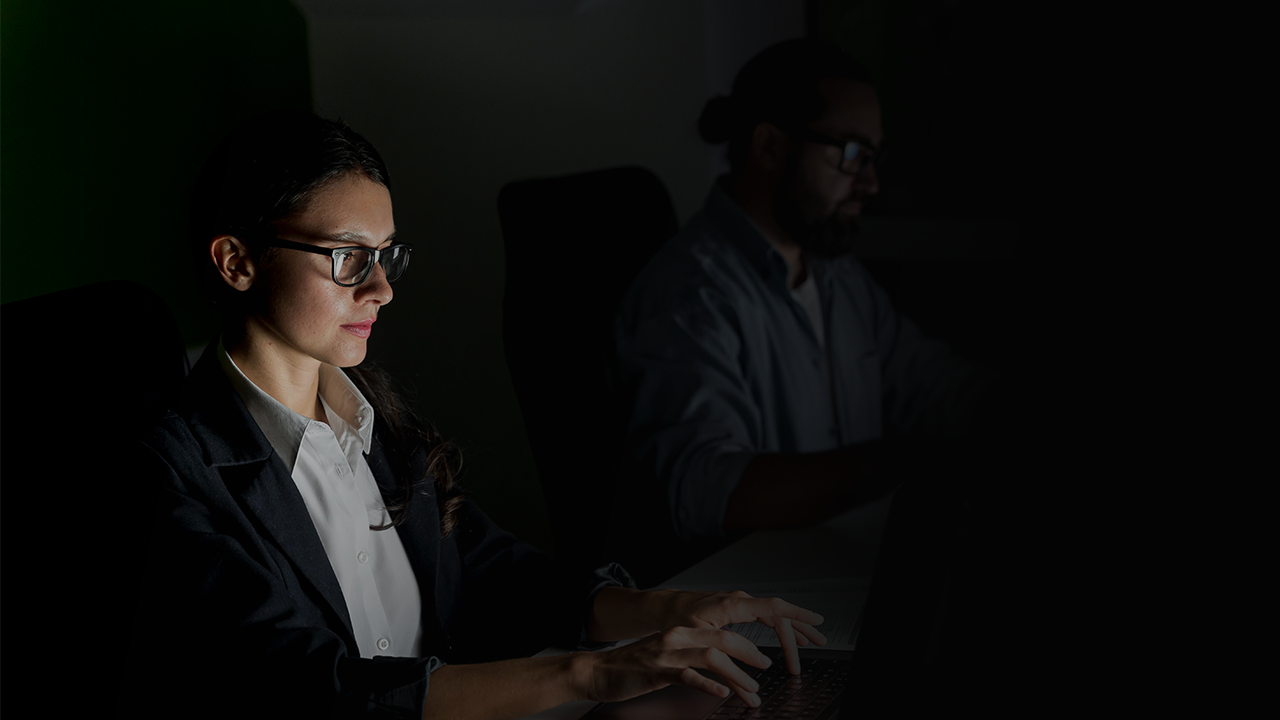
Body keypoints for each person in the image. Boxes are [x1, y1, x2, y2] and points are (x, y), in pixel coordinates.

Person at [125, 110, 828, 719]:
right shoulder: (171, 470)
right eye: (346, 258)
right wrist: (592, 672)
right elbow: (313, 688)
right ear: (237, 262)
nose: (381, 290)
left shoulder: (371, 415)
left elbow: (481, 567)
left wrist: (663, 610)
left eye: (385, 256)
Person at [612, 39, 995, 548]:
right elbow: (706, 490)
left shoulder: (839, 277)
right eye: (853, 154)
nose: (871, 183)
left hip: (841, 562)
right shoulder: (689, 296)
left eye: (875, 156)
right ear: (769, 146)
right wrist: (890, 464)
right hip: (753, 600)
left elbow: (935, 388)